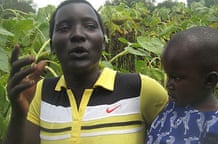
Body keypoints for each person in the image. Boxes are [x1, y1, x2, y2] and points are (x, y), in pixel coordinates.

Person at [4, 0, 168, 144]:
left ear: (103, 41)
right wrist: (18, 114)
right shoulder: (41, 92)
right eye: (64, 27)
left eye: (90, 26)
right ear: (52, 45)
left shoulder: (140, 89)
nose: (77, 34)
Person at [146, 26, 218, 144]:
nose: (168, 84)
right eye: (168, 75)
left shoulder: (216, 128)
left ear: (209, 80)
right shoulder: (174, 105)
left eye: (177, 78)